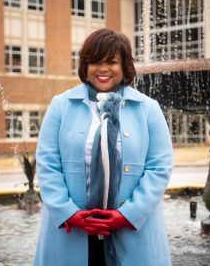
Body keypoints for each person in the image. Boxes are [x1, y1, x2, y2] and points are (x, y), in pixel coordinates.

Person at [33, 28, 173, 266]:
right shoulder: (60, 106)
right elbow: (47, 164)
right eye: (95, 61)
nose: (103, 68)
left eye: (112, 62)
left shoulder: (149, 109)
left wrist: (127, 215)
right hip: (71, 230)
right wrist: (69, 213)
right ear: (85, 66)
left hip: (132, 229)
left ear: (125, 66)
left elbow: (159, 168)